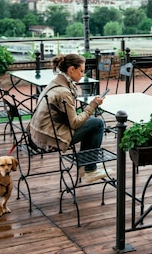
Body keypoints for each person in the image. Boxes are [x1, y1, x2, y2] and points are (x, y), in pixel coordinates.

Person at [29, 53, 109, 182]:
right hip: (50, 138)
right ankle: (89, 168)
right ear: (72, 69)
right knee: (98, 124)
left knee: (92, 123)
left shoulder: (54, 83)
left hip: (37, 134)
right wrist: (93, 105)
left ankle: (85, 165)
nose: (83, 74)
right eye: (81, 71)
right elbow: (75, 123)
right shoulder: (64, 92)